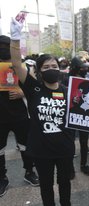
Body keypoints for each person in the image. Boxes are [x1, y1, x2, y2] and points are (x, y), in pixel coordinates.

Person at [10, 18, 75, 206]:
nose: (51, 69)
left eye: (54, 66)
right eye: (46, 67)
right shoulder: (33, 88)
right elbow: (16, 64)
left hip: (65, 147)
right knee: (46, 186)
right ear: (39, 71)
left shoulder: (67, 90)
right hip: (41, 149)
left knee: (64, 184)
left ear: (60, 69)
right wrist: (15, 38)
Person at [0, 35, 39, 197]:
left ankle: (29, 171)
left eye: (6, 45)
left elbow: (35, 88)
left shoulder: (23, 66)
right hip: (1, 117)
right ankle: (2, 177)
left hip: (21, 115)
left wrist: (22, 92)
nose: (3, 48)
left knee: (25, 146)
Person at [69, 57, 89, 177]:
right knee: (69, 141)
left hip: (84, 116)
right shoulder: (66, 80)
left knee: (84, 142)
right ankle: (69, 167)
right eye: (82, 67)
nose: (85, 69)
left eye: (86, 67)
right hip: (70, 115)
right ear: (75, 68)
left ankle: (83, 164)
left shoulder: (87, 81)